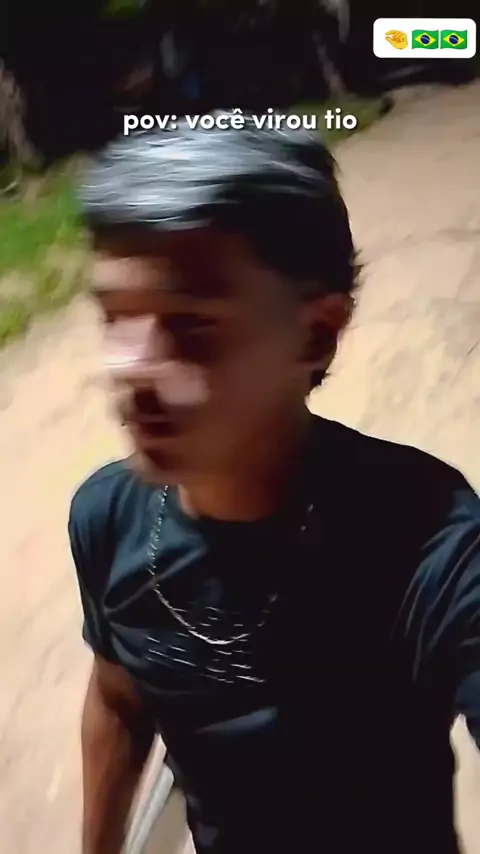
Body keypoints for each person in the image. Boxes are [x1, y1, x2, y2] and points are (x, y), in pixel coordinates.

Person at [70, 117, 480, 854]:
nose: (130, 369)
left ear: (316, 334)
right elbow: (119, 699)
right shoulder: (108, 519)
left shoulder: (428, 542)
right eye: (115, 318)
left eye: (189, 325)